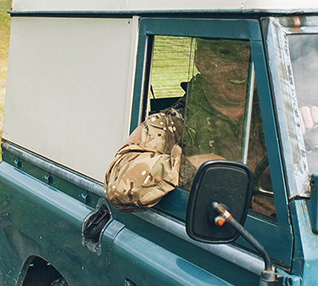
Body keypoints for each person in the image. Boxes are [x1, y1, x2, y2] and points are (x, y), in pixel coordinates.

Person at [106, 38, 273, 214]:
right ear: (201, 60)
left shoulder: (274, 118)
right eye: (227, 56)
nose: (241, 69)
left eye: (249, 59)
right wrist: (188, 166)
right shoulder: (173, 123)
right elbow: (118, 185)